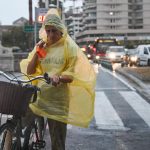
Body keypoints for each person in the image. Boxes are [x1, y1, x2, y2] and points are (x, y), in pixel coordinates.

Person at [20, 8, 96, 150]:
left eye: (54, 31)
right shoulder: (43, 46)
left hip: (58, 100)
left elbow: (71, 75)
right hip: (40, 95)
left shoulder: (69, 48)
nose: (50, 34)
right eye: (48, 31)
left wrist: (59, 77)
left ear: (61, 31)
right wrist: (37, 53)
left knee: (58, 142)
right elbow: (30, 71)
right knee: (21, 121)